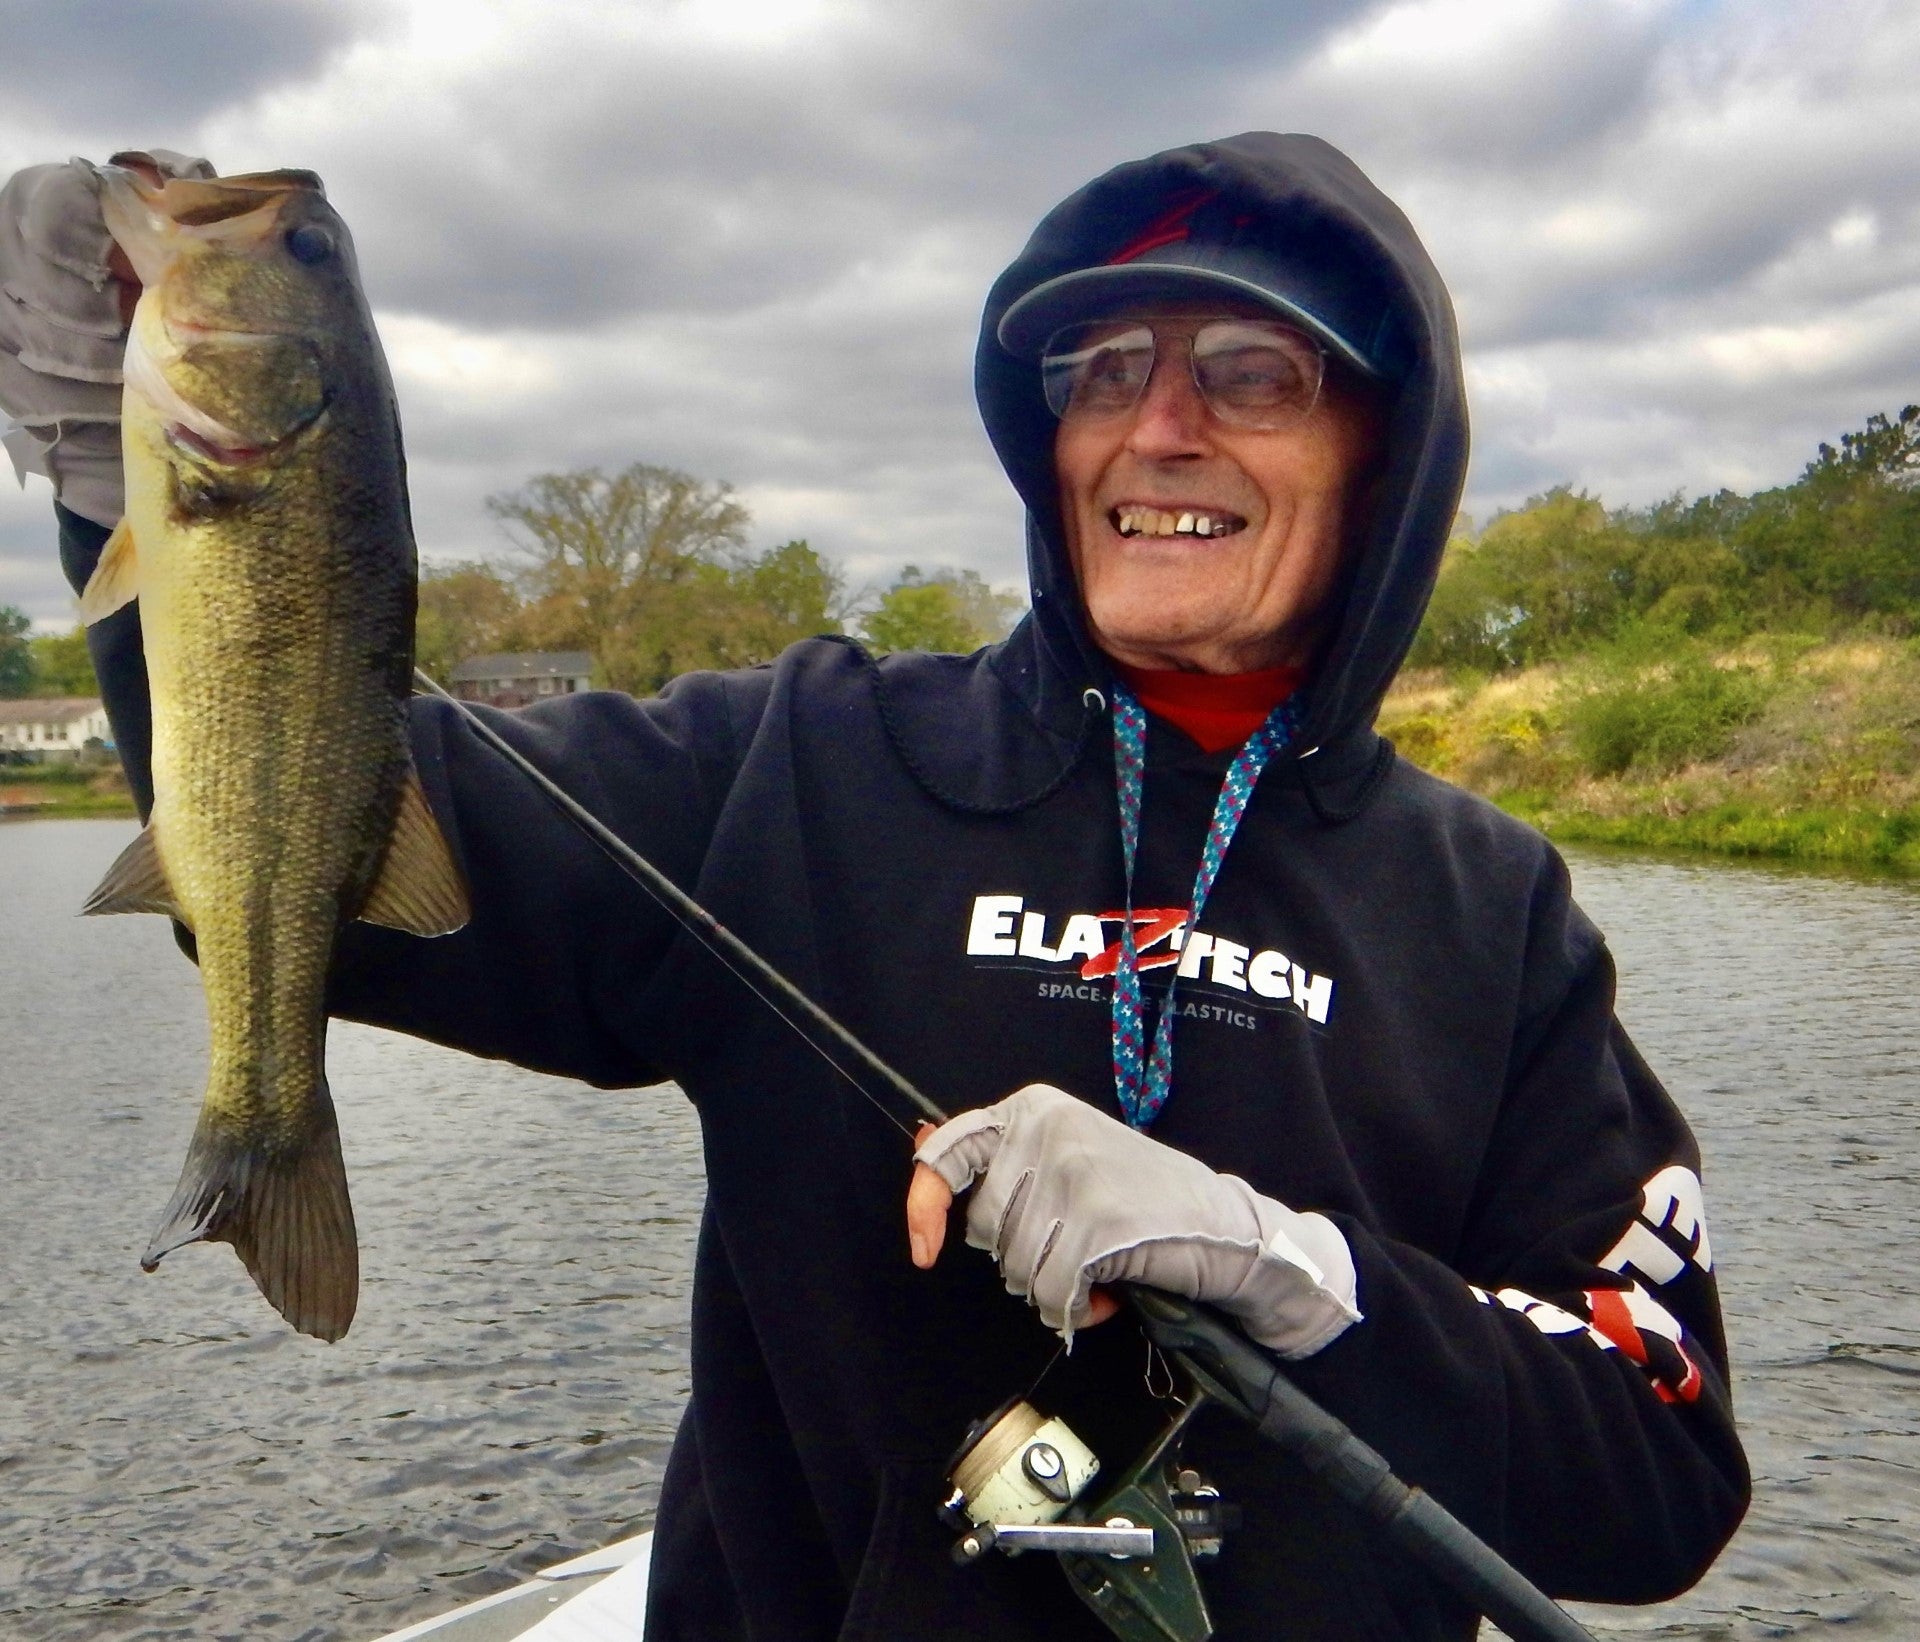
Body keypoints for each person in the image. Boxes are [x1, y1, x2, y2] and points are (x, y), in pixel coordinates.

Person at [3, 133, 1747, 1640]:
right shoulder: (805, 759)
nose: (1157, 428)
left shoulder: (1493, 907)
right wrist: (118, 486)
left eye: (1250, 371)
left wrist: (1301, 1273)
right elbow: (327, 821)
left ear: (1388, 443)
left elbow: (1655, 1469)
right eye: (1099, 370)